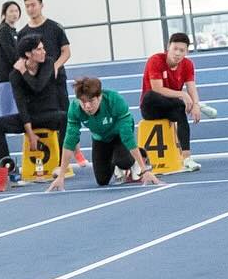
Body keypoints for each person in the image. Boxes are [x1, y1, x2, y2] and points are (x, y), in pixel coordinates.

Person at [0, 35, 68, 180]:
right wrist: (30, 132)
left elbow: (38, 86)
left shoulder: (48, 63)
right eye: (39, 49)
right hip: (29, 117)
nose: (44, 51)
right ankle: (8, 166)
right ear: (28, 54)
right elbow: (20, 103)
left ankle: (61, 165)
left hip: (48, 114)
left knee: (65, 117)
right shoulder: (15, 75)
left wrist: (24, 72)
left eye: (43, 48)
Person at [60, 77, 157, 192]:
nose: (87, 107)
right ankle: (116, 157)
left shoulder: (115, 100)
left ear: (99, 97)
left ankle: (140, 154)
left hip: (119, 134)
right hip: (100, 138)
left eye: (91, 101)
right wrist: (61, 176)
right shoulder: (75, 108)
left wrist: (144, 170)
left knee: (123, 161)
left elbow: (127, 137)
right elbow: (70, 140)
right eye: (83, 102)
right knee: (102, 180)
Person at [140, 31, 206, 172]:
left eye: (181, 50)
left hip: (171, 106)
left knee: (180, 109)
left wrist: (195, 105)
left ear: (186, 52)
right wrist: (182, 95)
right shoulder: (156, 60)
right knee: (152, 95)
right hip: (151, 106)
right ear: (168, 47)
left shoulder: (187, 65)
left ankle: (187, 158)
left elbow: (191, 87)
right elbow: (157, 89)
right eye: (175, 49)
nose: (177, 53)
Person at [20, 0, 72, 105]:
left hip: (56, 78)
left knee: (63, 112)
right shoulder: (23, 33)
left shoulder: (55, 27)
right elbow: (22, 58)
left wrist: (55, 67)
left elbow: (66, 52)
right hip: (36, 82)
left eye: (33, 5)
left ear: (41, 5)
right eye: (27, 6)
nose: (30, 9)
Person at [0, 0, 22, 118]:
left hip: (13, 78)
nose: (14, 14)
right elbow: (11, 55)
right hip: (5, 78)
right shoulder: (4, 30)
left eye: (16, 11)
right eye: (11, 11)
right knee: (7, 115)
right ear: (4, 13)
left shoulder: (13, 31)